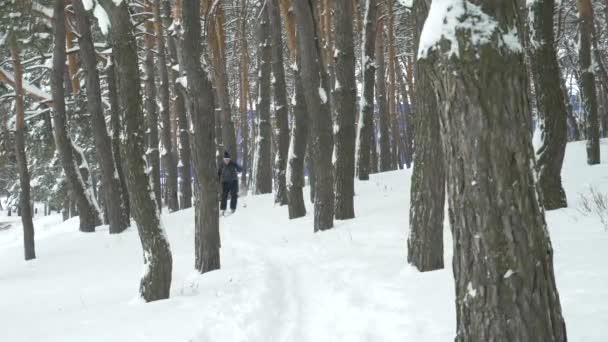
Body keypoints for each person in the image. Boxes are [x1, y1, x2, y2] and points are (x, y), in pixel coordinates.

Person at [218, 151, 242, 215]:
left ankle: (233, 208)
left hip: (233, 182)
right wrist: (217, 180)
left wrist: (239, 167)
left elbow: (239, 169)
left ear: (230, 159)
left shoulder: (233, 163)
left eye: (228, 159)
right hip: (225, 182)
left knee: (234, 195)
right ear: (223, 160)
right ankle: (223, 209)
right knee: (224, 196)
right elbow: (218, 173)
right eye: (225, 160)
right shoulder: (221, 165)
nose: (227, 161)